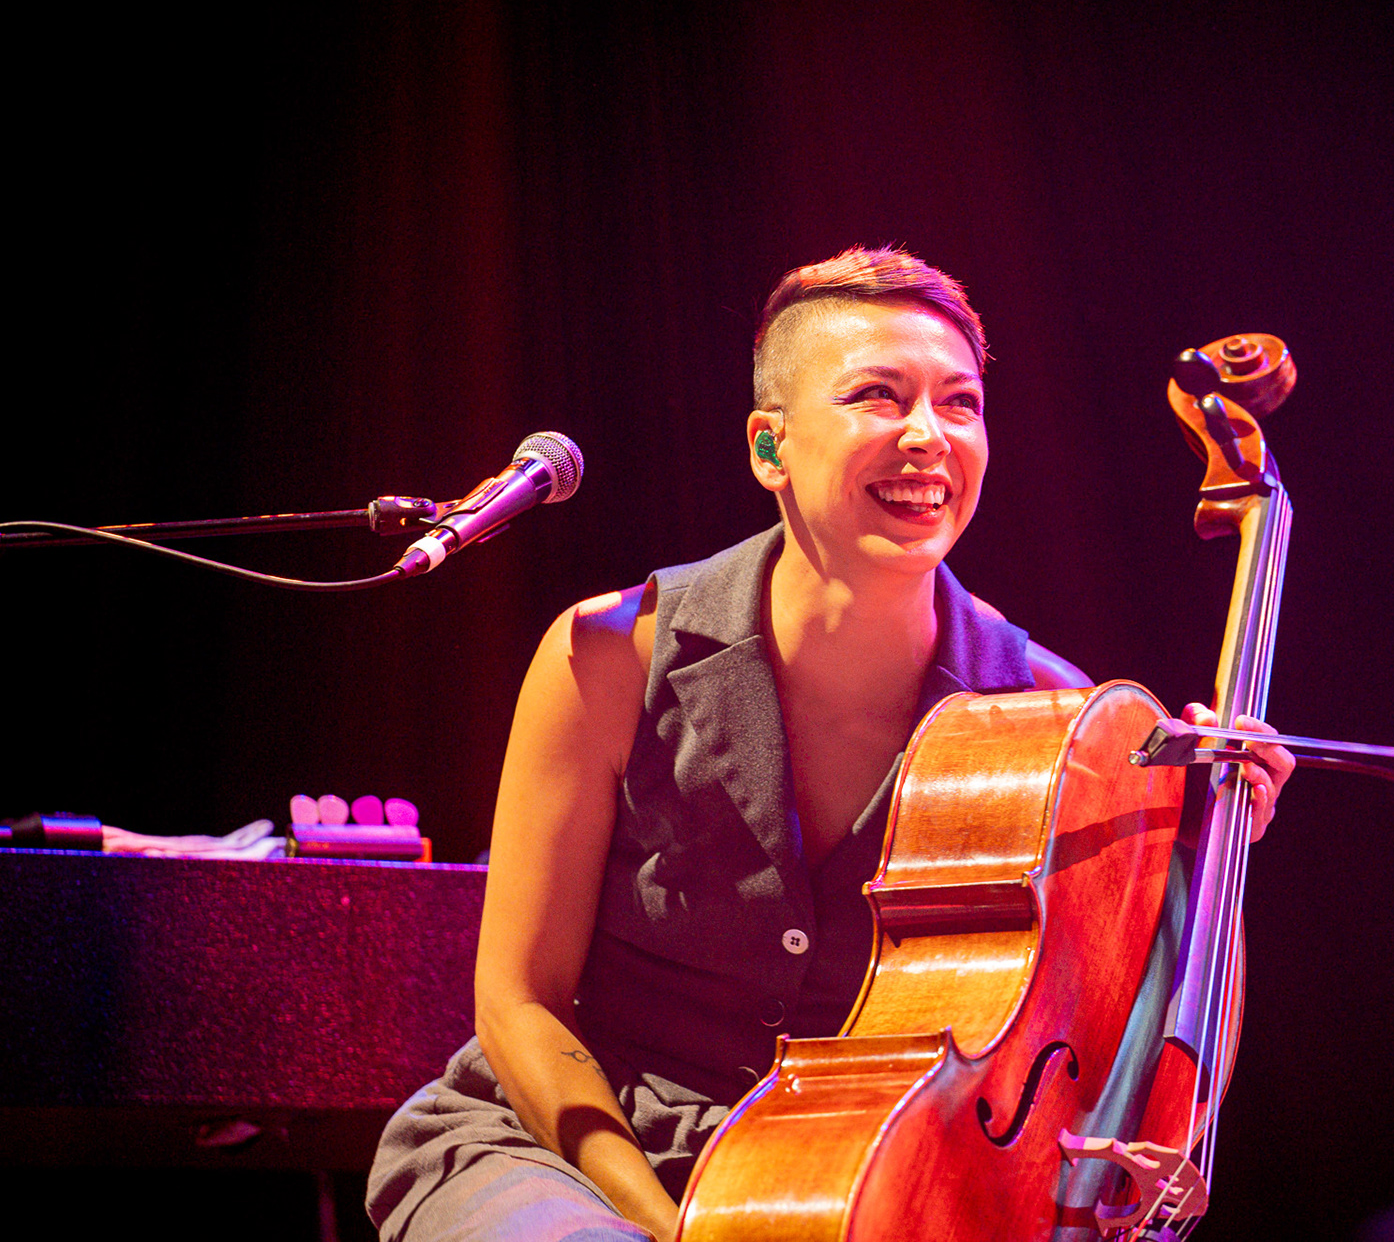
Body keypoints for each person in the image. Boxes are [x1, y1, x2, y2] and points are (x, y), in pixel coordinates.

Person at [365, 247, 1294, 1241]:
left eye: (961, 404)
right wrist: (667, 1227)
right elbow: (519, 1002)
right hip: (568, 1155)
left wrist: (1198, 852)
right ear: (770, 447)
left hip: (860, 1178)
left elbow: (1123, 1053)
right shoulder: (607, 653)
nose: (927, 435)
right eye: (877, 396)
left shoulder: (1054, 718)